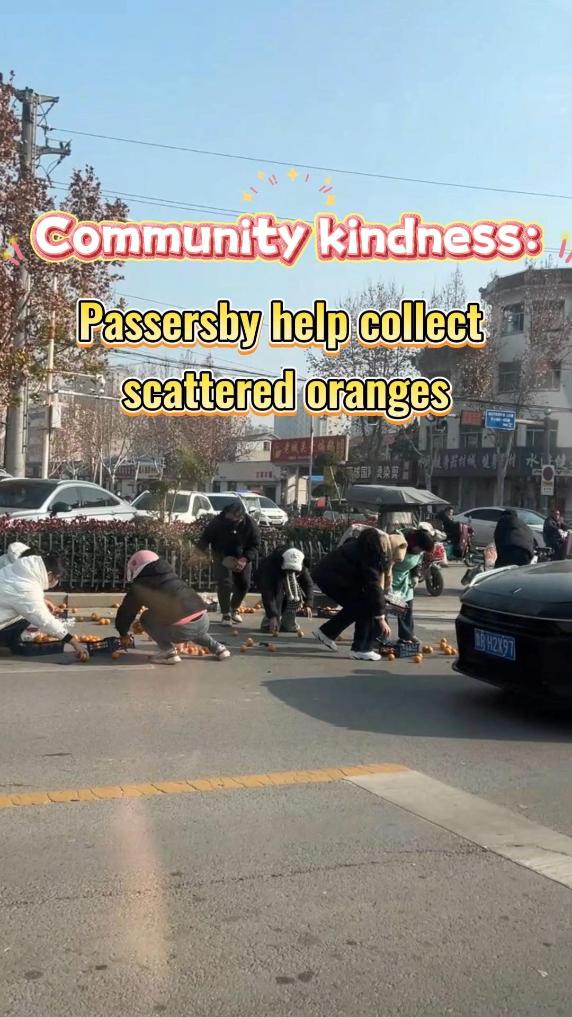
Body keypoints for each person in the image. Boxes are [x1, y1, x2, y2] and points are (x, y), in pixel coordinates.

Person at [115, 550, 230, 665]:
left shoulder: (139, 586)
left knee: (146, 617)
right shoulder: (171, 575)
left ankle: (168, 652)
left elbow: (126, 612)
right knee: (191, 623)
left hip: (180, 629)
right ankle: (218, 648)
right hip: (203, 621)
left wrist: (123, 632)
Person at [313, 527, 392, 661]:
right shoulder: (369, 553)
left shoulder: (355, 546)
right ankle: (361, 649)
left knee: (355, 606)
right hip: (334, 580)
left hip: (326, 577)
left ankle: (327, 633)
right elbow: (373, 584)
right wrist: (381, 617)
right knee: (365, 607)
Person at [0, 551, 87, 659]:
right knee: (30, 617)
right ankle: (6, 641)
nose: (57, 582)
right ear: (49, 574)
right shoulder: (26, 590)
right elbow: (44, 620)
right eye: (57, 578)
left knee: (26, 613)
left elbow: (13, 593)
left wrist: (42, 601)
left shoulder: (20, 570)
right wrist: (73, 641)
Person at [197, 501, 260, 625]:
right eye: (229, 515)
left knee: (244, 584)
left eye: (234, 517)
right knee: (225, 583)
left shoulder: (250, 524)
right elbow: (205, 538)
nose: (230, 518)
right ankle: (225, 614)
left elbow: (255, 545)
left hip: (242, 556)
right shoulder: (217, 522)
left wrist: (245, 559)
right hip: (221, 555)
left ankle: (234, 609)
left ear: (241, 517)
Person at [390, 528, 435, 644]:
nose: (420, 551)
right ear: (415, 543)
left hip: (405, 579)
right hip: (389, 577)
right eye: (420, 548)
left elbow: (417, 563)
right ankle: (378, 635)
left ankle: (407, 635)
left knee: (406, 608)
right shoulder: (398, 543)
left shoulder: (419, 550)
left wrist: (415, 575)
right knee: (382, 608)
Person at [257, 546, 313, 634]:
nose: (290, 572)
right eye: (288, 570)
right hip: (273, 578)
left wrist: (308, 604)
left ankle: (288, 623)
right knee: (277, 598)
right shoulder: (270, 565)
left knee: (294, 593)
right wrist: (273, 616)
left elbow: (308, 584)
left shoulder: (301, 564)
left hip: (291, 583)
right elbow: (268, 593)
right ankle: (269, 623)